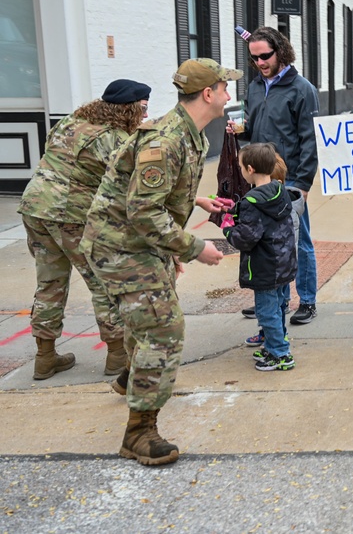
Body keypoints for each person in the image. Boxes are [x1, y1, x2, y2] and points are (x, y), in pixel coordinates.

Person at [82, 58, 237, 466]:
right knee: (164, 328)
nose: (228, 95)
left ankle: (131, 379)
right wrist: (192, 247)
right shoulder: (165, 141)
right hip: (120, 246)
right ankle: (139, 432)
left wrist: (195, 202)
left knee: (149, 319)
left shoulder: (188, 134)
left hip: (139, 243)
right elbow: (143, 212)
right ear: (208, 93)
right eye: (225, 88)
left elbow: (155, 193)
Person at [18, 79, 151, 380]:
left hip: (35, 207)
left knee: (50, 282)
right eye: (142, 108)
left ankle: (45, 357)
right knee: (103, 281)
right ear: (128, 108)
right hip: (72, 214)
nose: (145, 114)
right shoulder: (116, 138)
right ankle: (117, 355)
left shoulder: (71, 121)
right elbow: (128, 185)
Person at [239, 26, 320, 325]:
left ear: (281, 51)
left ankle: (307, 301)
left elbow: (310, 140)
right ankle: (274, 301)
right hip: (260, 179)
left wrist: (303, 183)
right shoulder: (254, 87)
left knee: (299, 242)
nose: (260, 63)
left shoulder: (302, 89)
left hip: (291, 179)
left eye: (265, 56)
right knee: (267, 243)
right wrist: (240, 132)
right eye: (254, 58)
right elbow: (253, 127)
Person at [223, 143, 297, 371]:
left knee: (266, 312)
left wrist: (228, 229)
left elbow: (246, 238)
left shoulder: (252, 202)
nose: (241, 171)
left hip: (265, 267)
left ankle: (280, 354)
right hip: (283, 263)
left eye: (241, 167)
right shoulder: (279, 191)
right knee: (278, 307)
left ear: (250, 169)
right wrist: (237, 209)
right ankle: (275, 343)